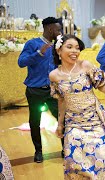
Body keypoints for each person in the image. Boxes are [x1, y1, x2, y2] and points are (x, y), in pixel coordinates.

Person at [50, 34, 105, 179]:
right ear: (59, 50)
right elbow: (61, 101)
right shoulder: (54, 75)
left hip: (94, 120)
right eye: (69, 47)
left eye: (77, 48)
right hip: (73, 124)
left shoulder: (85, 66)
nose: (74, 51)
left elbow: (101, 86)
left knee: (104, 157)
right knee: (75, 161)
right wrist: (60, 124)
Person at [18, 17, 62, 163]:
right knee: (35, 121)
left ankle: (65, 148)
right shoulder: (33, 44)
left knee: (63, 118)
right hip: (35, 91)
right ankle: (38, 151)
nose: (59, 32)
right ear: (50, 29)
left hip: (53, 90)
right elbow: (21, 62)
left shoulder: (58, 45)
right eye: (58, 29)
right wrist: (39, 53)